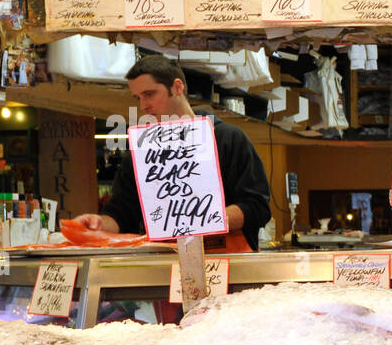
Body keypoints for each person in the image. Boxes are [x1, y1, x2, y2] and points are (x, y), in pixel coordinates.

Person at [75, 54, 273, 251]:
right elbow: (121, 214)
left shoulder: (229, 139)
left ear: (177, 87)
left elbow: (257, 207)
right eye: (138, 97)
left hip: (228, 264)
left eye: (149, 94)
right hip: (165, 264)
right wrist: (99, 223)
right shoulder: (141, 153)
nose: (143, 106)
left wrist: (201, 220)